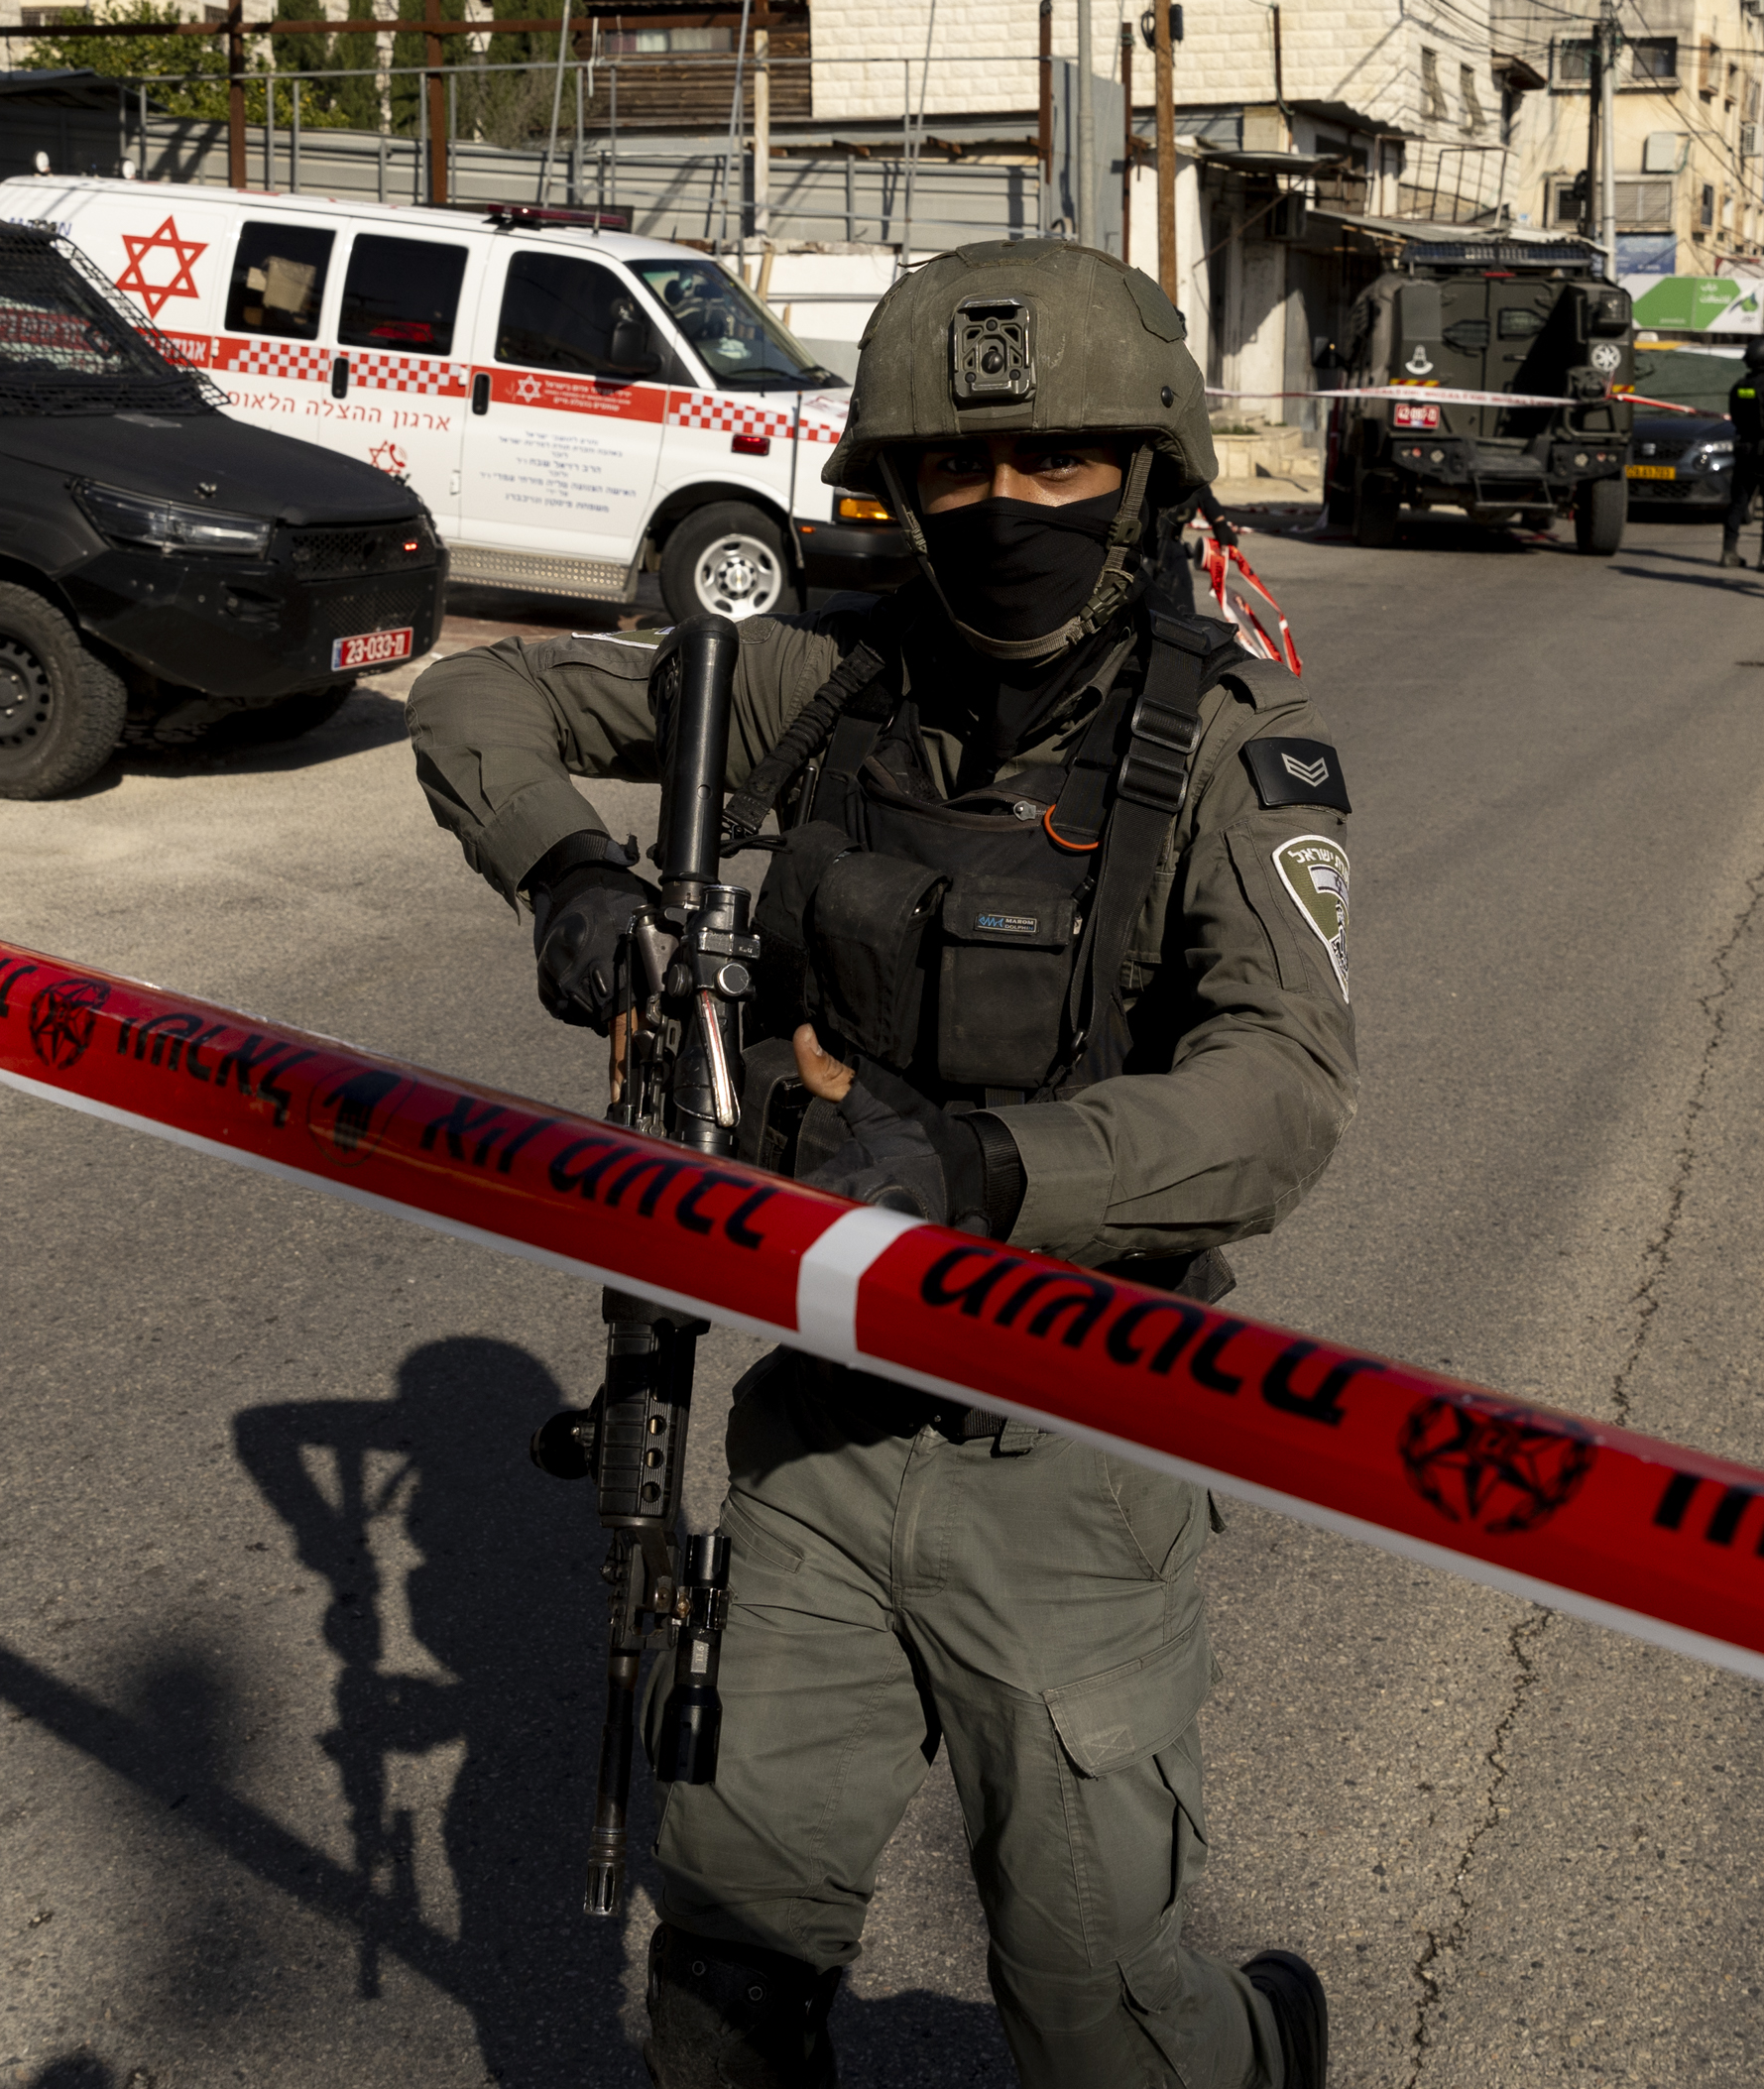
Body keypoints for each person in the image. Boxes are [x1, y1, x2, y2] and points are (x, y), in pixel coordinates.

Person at [408, 238, 1347, 2089]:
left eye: (1059, 461)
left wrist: (991, 1171)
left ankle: (1262, 2039)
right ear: (895, 485)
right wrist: (569, 871)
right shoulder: (814, 683)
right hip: (818, 1433)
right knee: (726, 1982)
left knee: (1097, 2019)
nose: (1005, 505)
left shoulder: (1232, 745)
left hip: (1070, 1444)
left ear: (1150, 472)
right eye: (955, 467)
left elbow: (1282, 1090)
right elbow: (482, 696)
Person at [1720, 340, 1764, 570]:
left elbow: (1734, 416)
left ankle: (1728, 552)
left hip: (1744, 450)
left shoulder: (1739, 386)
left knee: (1738, 502)